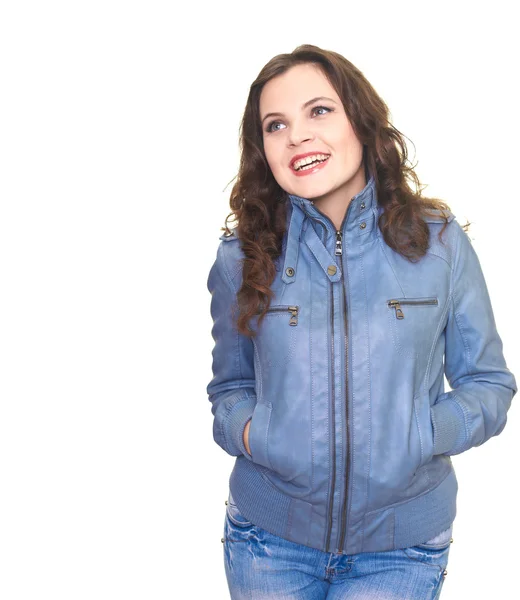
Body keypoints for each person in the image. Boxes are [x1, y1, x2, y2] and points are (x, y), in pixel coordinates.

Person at [205, 44, 517, 599]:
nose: (297, 135)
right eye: (276, 125)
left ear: (361, 122)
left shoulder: (439, 243)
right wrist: (255, 432)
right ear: (264, 150)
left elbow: (488, 383)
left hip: (400, 550)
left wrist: (424, 432)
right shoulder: (243, 256)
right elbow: (231, 387)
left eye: (318, 111)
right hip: (267, 543)